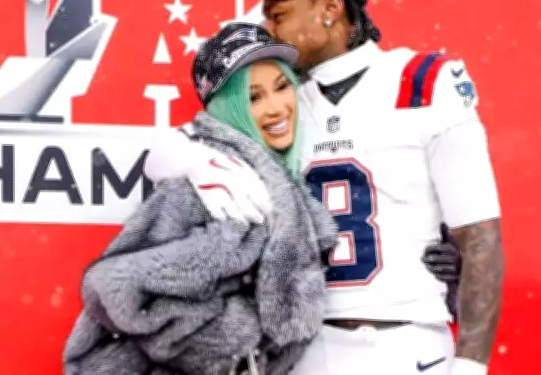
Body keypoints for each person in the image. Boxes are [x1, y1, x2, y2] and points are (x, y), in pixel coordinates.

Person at [146, 0, 502, 375]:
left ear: (330, 8)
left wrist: (470, 365)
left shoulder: (422, 83)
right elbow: (170, 149)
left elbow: (480, 235)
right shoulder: (283, 98)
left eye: (278, 14)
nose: (268, 27)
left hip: (406, 345)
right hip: (304, 351)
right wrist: (197, 162)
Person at [64, 23, 339, 375]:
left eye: (282, 86)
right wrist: (237, 336)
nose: (277, 107)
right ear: (228, 107)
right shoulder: (219, 187)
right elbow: (119, 287)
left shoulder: (273, 175)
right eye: (253, 98)